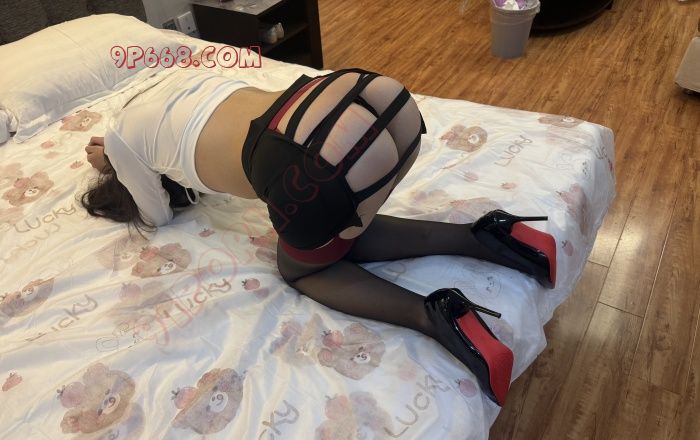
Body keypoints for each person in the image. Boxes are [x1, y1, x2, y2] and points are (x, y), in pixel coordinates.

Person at [81, 67, 556, 406]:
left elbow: (158, 216)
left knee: (303, 268)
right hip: (369, 98)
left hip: (307, 159)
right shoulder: (177, 75)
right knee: (339, 224)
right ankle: (486, 234)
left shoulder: (121, 140)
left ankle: (432, 314)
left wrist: (117, 162)